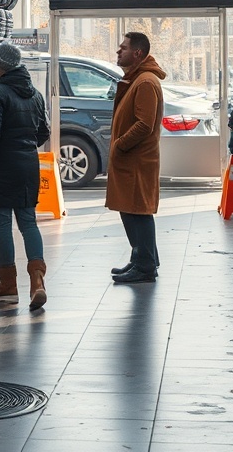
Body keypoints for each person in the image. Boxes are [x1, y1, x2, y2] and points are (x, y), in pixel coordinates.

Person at [0, 42, 51, 309]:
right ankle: (37, 283)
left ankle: (8, 286)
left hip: (2, 166)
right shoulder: (35, 95)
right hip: (28, 164)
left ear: (2, 66)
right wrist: (25, 146)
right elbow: (44, 132)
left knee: (4, 223)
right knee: (29, 222)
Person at [107, 32, 166, 284]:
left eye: (123, 48)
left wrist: (120, 144)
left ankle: (144, 265)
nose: (119, 52)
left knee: (138, 212)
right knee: (132, 210)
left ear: (138, 53)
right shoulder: (137, 79)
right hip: (131, 161)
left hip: (136, 161)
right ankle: (142, 258)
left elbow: (144, 124)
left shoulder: (144, 82)